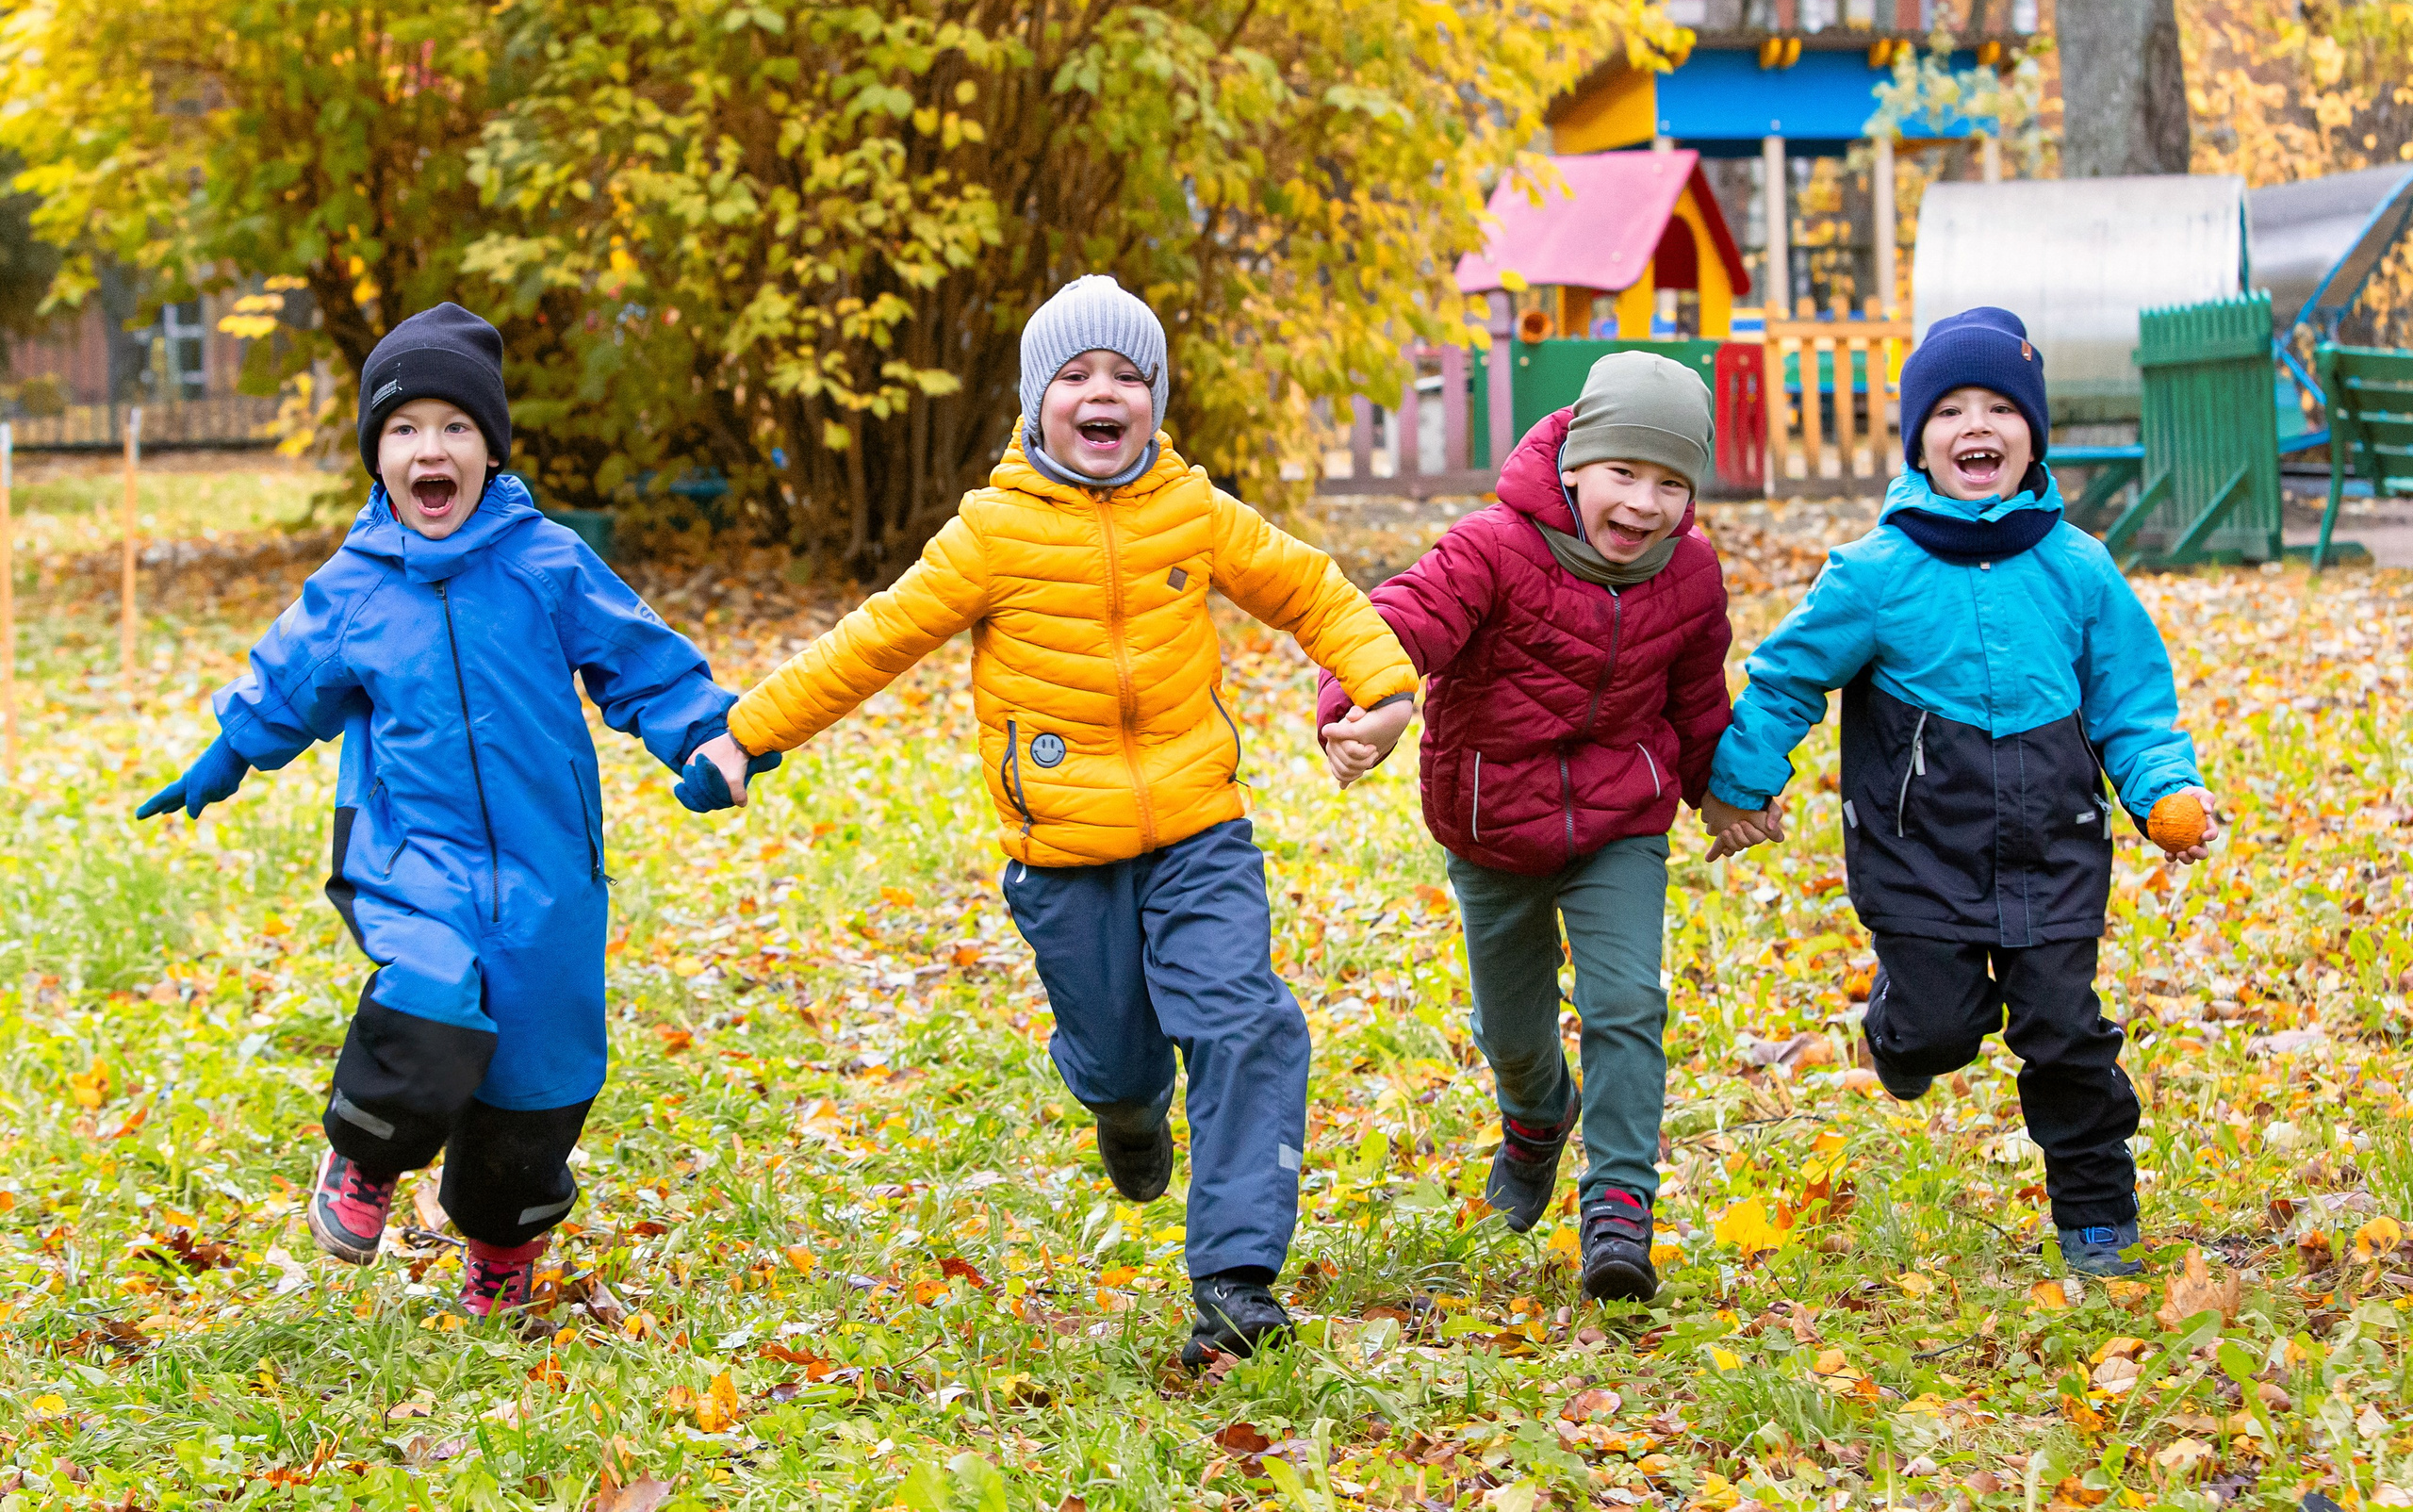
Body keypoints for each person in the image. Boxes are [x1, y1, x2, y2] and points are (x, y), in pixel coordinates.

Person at [687, 276, 1419, 1365]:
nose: (1102, 392)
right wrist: (748, 734)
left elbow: (1313, 590)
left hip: (1198, 834)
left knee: (1243, 1020)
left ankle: (1235, 1280)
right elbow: (874, 639)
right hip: (1062, 856)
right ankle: (1126, 1114)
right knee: (1123, 1066)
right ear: (1037, 402)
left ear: (1156, 399)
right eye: (1075, 375)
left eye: (1127, 374)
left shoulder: (1194, 510)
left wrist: (1383, 691)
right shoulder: (990, 535)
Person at [137, 304, 773, 1318]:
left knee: (542, 1073)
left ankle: (500, 1242)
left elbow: (641, 665)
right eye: (403, 429)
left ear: (489, 449)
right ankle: (365, 1160)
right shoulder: (352, 587)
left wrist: (705, 735)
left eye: (455, 427)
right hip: (407, 854)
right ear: (375, 456)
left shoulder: (547, 563)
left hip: (547, 870)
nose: (429, 449)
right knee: (429, 991)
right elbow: (287, 684)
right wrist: (224, 757)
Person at [1703, 306, 2218, 1278]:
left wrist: (2161, 792)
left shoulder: (2079, 569)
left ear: (2030, 438)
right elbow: (1785, 679)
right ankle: (1897, 1035)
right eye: (1947, 410)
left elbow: (2133, 703)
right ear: (1917, 441)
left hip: (2053, 847)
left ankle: (2097, 1215)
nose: (1974, 426)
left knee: (2066, 1031)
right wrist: (1740, 782)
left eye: (1998, 408)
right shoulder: (1872, 575)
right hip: (1917, 852)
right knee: (1939, 1028)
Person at [1321, 353, 1762, 1303]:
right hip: (1490, 822)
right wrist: (1367, 704)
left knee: (1624, 1004)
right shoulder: (1492, 548)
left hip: (1619, 823)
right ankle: (1534, 1116)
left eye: (1670, 483)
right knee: (1515, 1031)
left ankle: (1619, 1207)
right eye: (1623, 473)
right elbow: (1401, 618)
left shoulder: (1688, 573)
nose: (1643, 503)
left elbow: (1695, 704)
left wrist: (1718, 790)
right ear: (1573, 466)